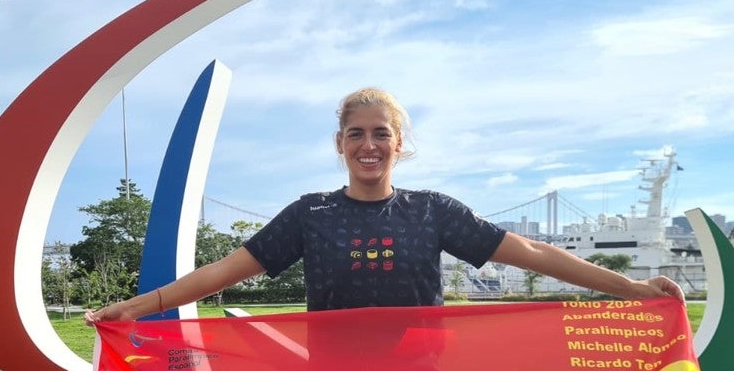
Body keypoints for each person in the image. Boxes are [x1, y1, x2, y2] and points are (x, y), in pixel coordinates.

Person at [85, 87, 683, 323]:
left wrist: (633, 292)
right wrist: (135, 308)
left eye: (380, 134)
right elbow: (222, 272)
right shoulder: (309, 213)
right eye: (356, 134)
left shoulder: (432, 210)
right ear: (340, 144)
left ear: (400, 144)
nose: (368, 145)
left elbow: (530, 251)